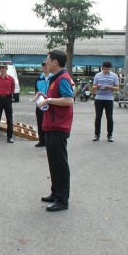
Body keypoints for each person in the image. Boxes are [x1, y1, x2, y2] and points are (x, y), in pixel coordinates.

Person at [37, 50, 74, 212]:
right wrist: (43, 95)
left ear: (55, 62)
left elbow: (69, 100)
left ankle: (62, 200)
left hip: (58, 126)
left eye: (48, 59)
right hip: (52, 125)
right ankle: (55, 192)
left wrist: (49, 100)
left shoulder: (63, 78)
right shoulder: (55, 78)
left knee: (60, 165)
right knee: (53, 163)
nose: (46, 62)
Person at [91, 61, 119, 142]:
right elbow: (93, 87)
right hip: (99, 98)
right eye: (105, 69)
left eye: (108, 69)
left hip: (109, 99)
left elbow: (117, 88)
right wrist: (97, 86)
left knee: (109, 117)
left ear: (110, 68)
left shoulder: (114, 76)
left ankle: (110, 135)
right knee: (98, 117)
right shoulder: (97, 75)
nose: (106, 70)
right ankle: (97, 134)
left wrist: (110, 87)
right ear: (102, 67)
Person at [0, 63, 15, 143]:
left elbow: (13, 88)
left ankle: (9, 137)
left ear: (6, 69)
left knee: (9, 119)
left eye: (3, 68)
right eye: (0, 68)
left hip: (7, 99)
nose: (1, 69)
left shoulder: (11, 79)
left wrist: (9, 94)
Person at [34, 60, 50, 147]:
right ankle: (42, 140)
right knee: (40, 123)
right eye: (44, 65)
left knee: (49, 123)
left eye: (47, 65)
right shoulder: (38, 78)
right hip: (40, 104)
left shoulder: (54, 77)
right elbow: (36, 92)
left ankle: (49, 141)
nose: (46, 67)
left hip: (50, 104)